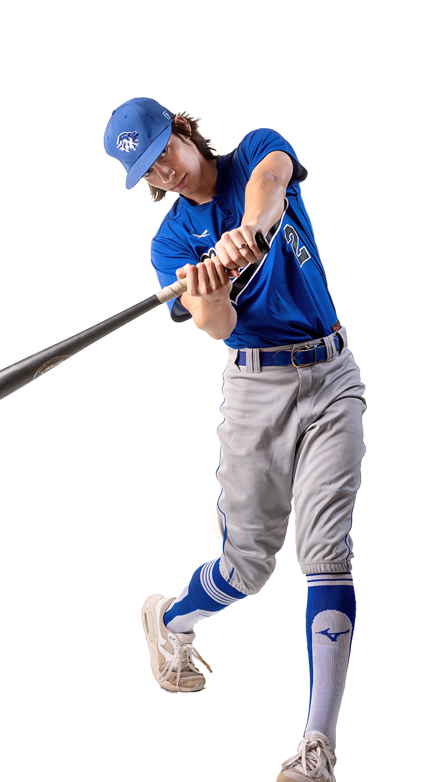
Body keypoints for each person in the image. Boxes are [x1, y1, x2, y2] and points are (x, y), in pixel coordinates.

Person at [104, 97, 366, 782]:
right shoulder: (170, 247)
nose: (164, 170)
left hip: (332, 374)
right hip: (258, 389)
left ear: (185, 131)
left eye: (165, 149)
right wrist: (207, 287)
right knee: (247, 566)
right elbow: (217, 328)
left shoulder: (254, 149)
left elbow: (270, 187)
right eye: (149, 169)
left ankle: (317, 746)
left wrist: (244, 235)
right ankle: (170, 617)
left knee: (325, 549)